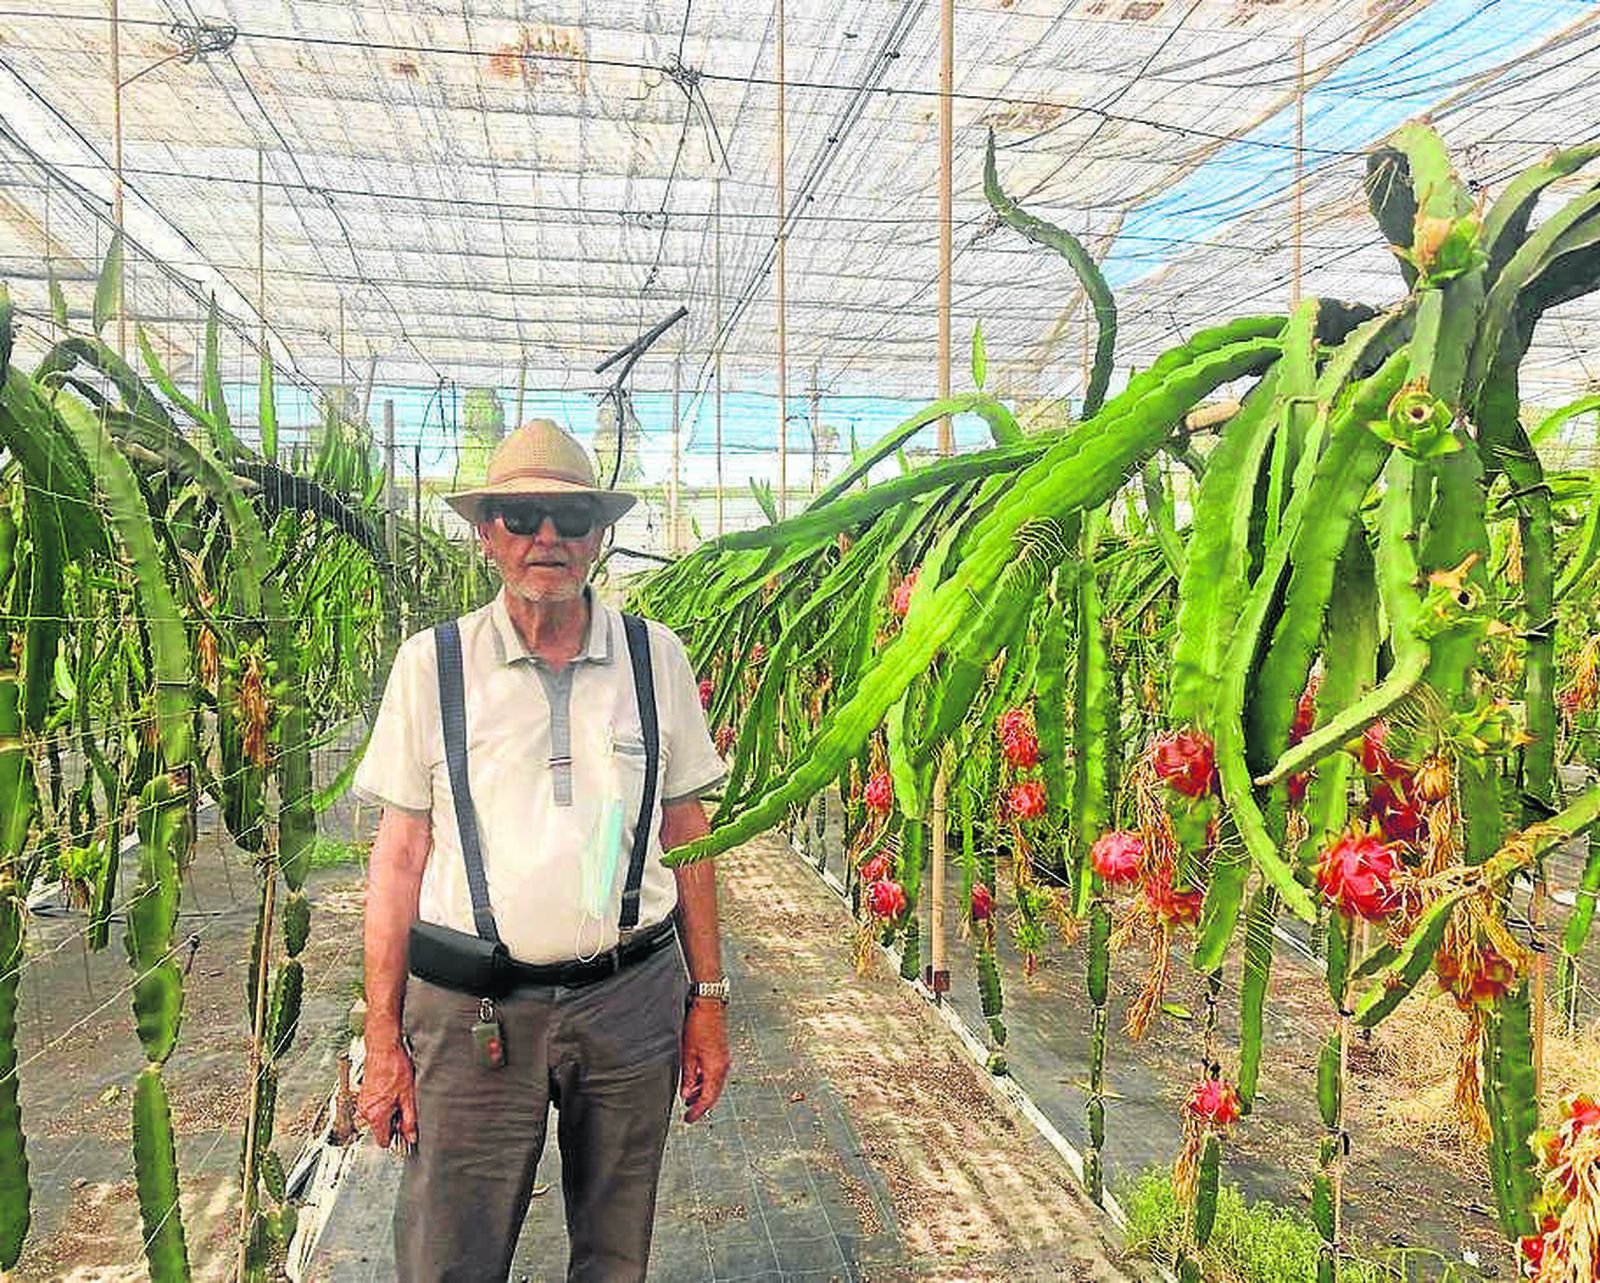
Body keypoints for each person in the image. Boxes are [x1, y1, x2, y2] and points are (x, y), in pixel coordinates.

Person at [353, 418, 732, 1282]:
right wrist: (383, 1034)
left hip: (631, 998)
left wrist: (706, 996)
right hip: (473, 1012)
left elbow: (688, 831)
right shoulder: (433, 666)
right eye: (522, 516)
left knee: (615, 1245)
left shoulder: (653, 659)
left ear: (600, 534)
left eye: (571, 518)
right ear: (487, 533)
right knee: (452, 1250)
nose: (547, 537)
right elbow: (399, 858)